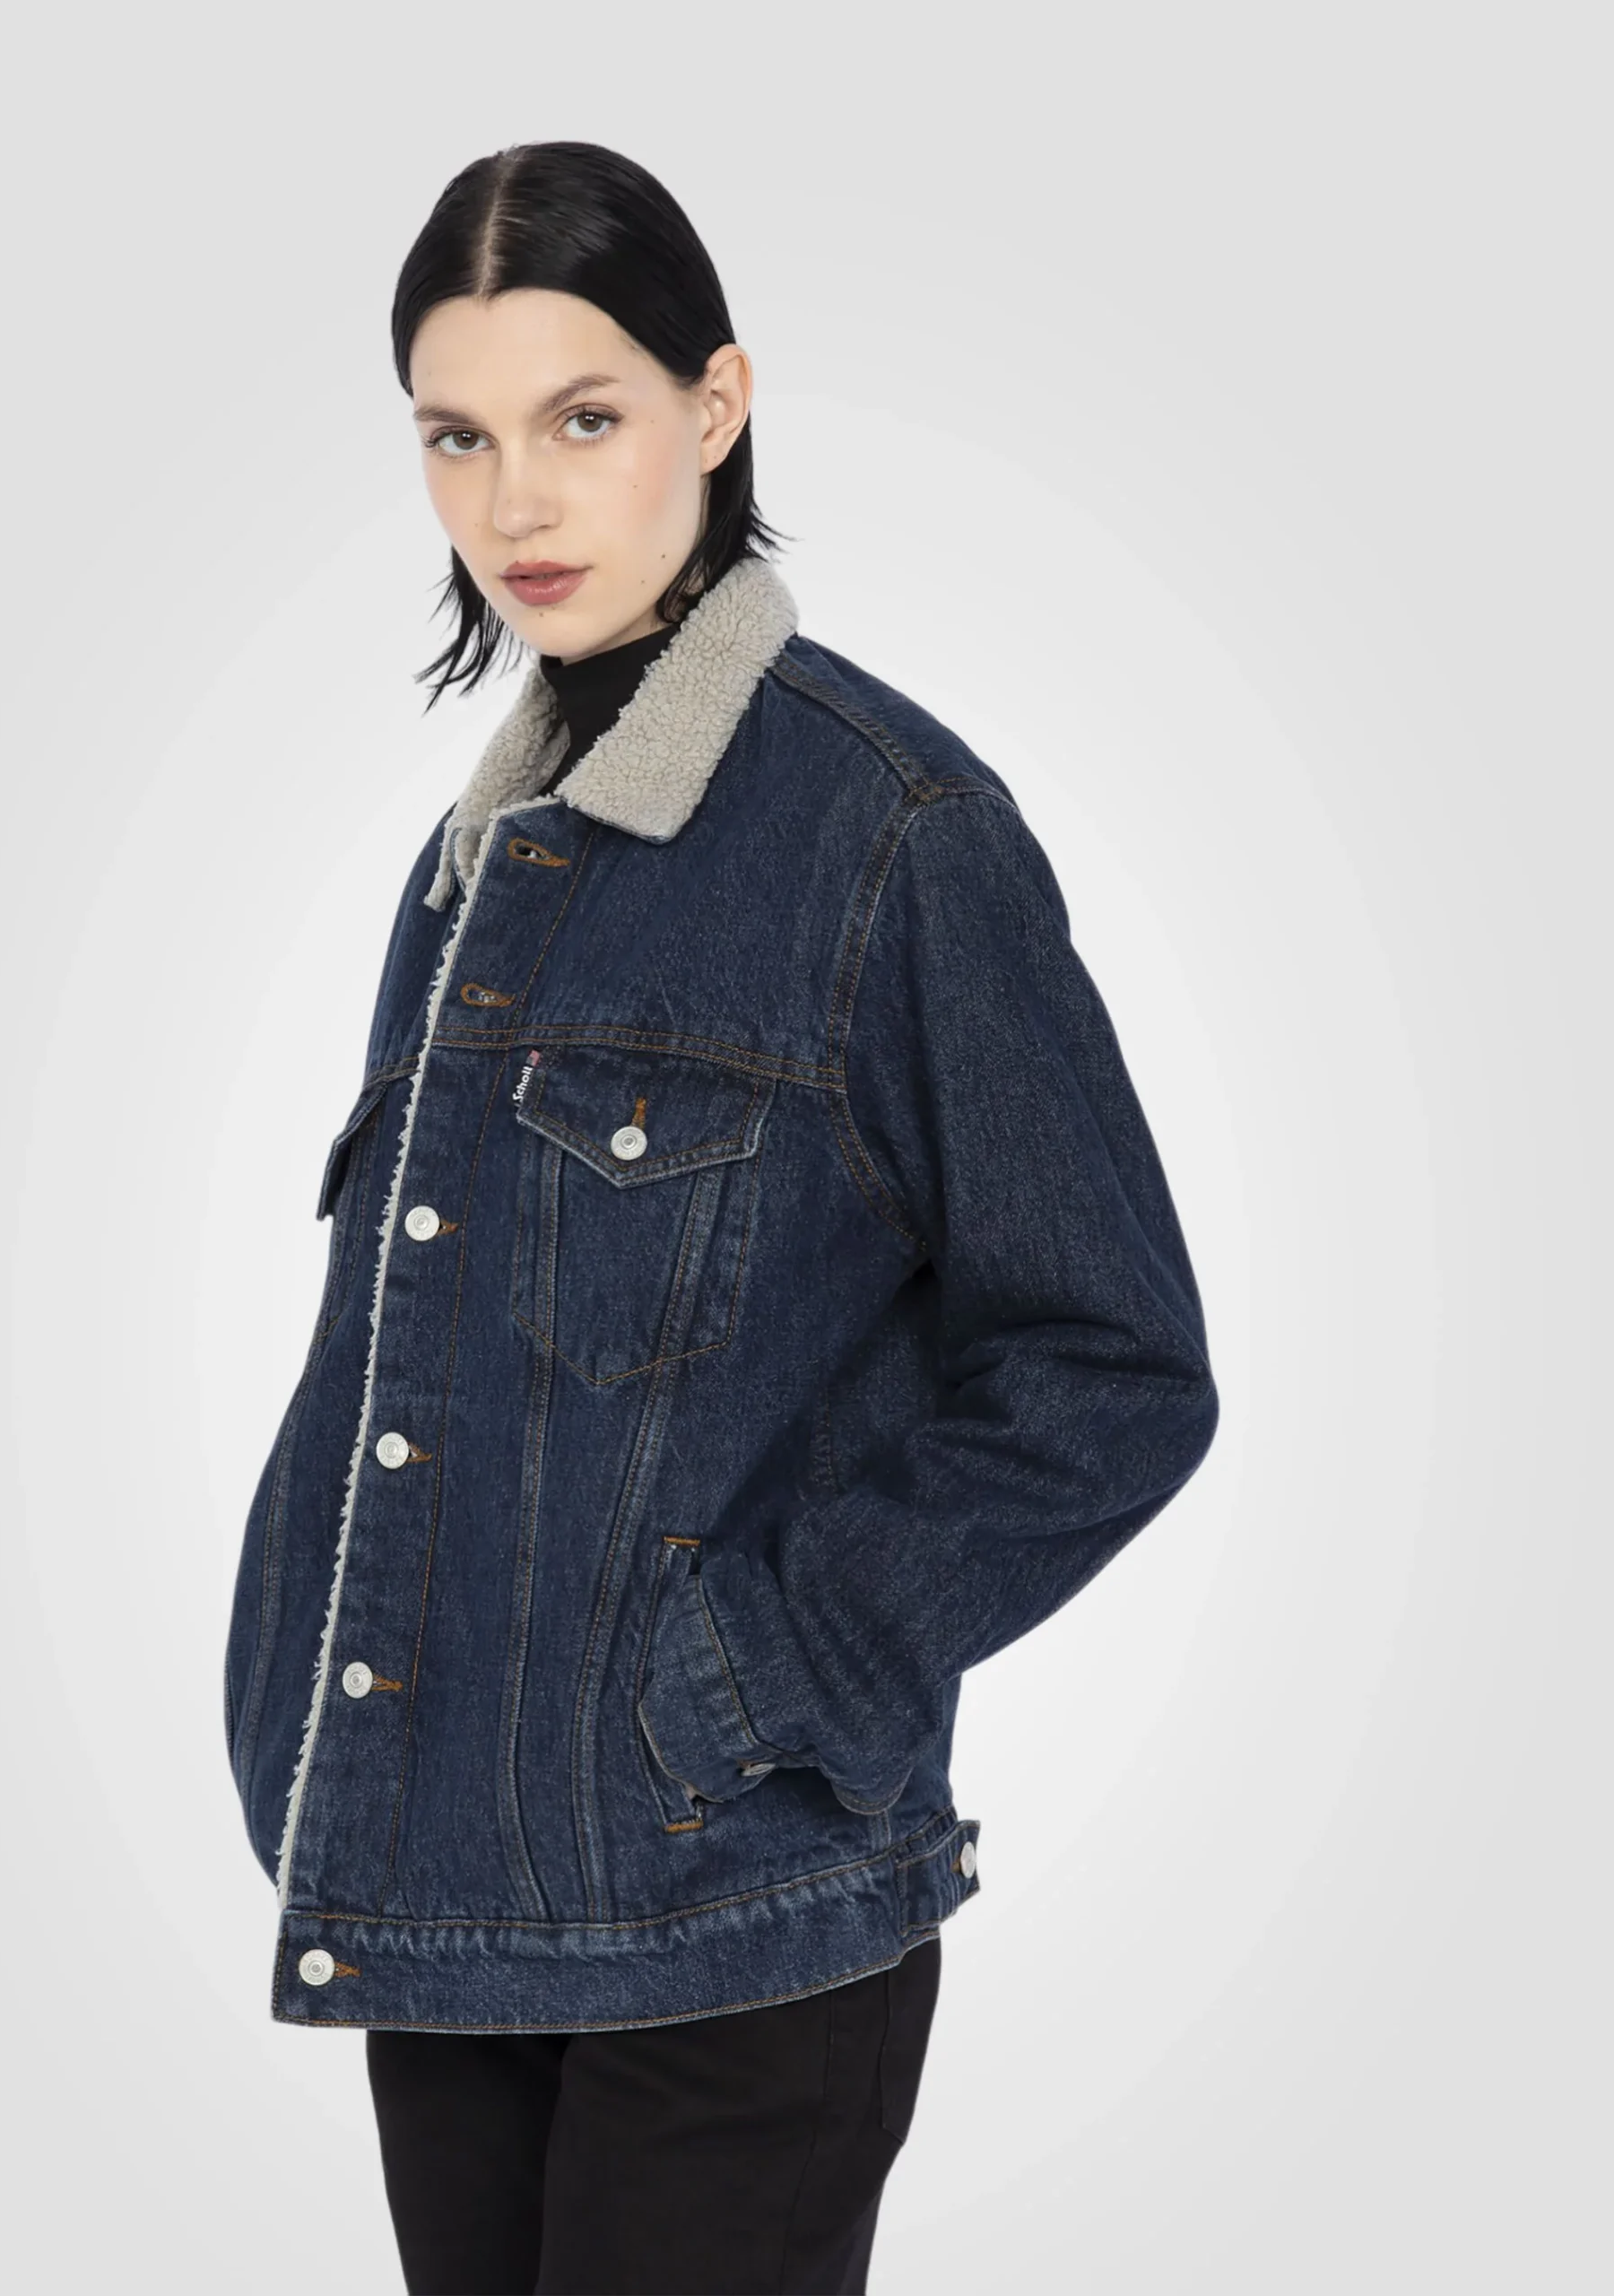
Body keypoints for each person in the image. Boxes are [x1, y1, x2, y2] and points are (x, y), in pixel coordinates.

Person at [222, 140, 1220, 2296]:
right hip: (443, 1893)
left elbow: (1112, 1362)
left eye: (580, 417)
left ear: (716, 401)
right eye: (455, 437)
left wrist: (761, 1669)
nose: (515, 501)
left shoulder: (892, 833)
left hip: (737, 1916)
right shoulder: (474, 875)